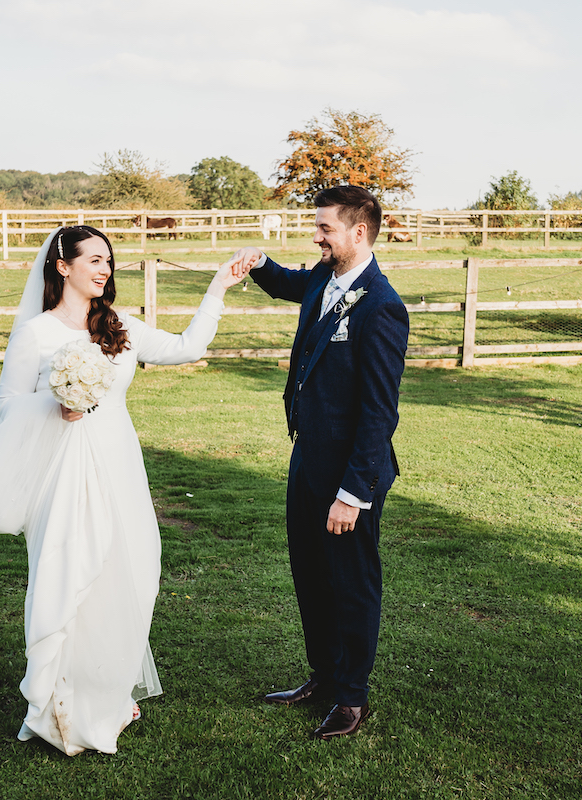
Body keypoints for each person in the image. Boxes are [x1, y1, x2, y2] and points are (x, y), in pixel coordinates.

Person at [0, 225, 245, 755]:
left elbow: (187, 347)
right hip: (63, 470)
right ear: (62, 266)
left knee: (129, 572)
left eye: (108, 261)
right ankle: (59, 707)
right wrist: (58, 404)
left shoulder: (121, 327)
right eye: (93, 259)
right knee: (68, 577)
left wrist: (217, 290)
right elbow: (4, 407)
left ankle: (107, 692)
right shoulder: (36, 335)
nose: (104, 269)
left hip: (118, 463)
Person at [231, 186, 409, 739]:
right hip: (307, 460)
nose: (316, 236)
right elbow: (288, 282)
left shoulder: (381, 306)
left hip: (350, 476)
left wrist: (353, 492)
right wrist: (259, 264)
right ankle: (324, 676)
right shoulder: (322, 279)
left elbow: (379, 414)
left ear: (358, 233)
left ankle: (352, 697)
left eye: (325, 228)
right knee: (311, 576)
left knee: (351, 583)